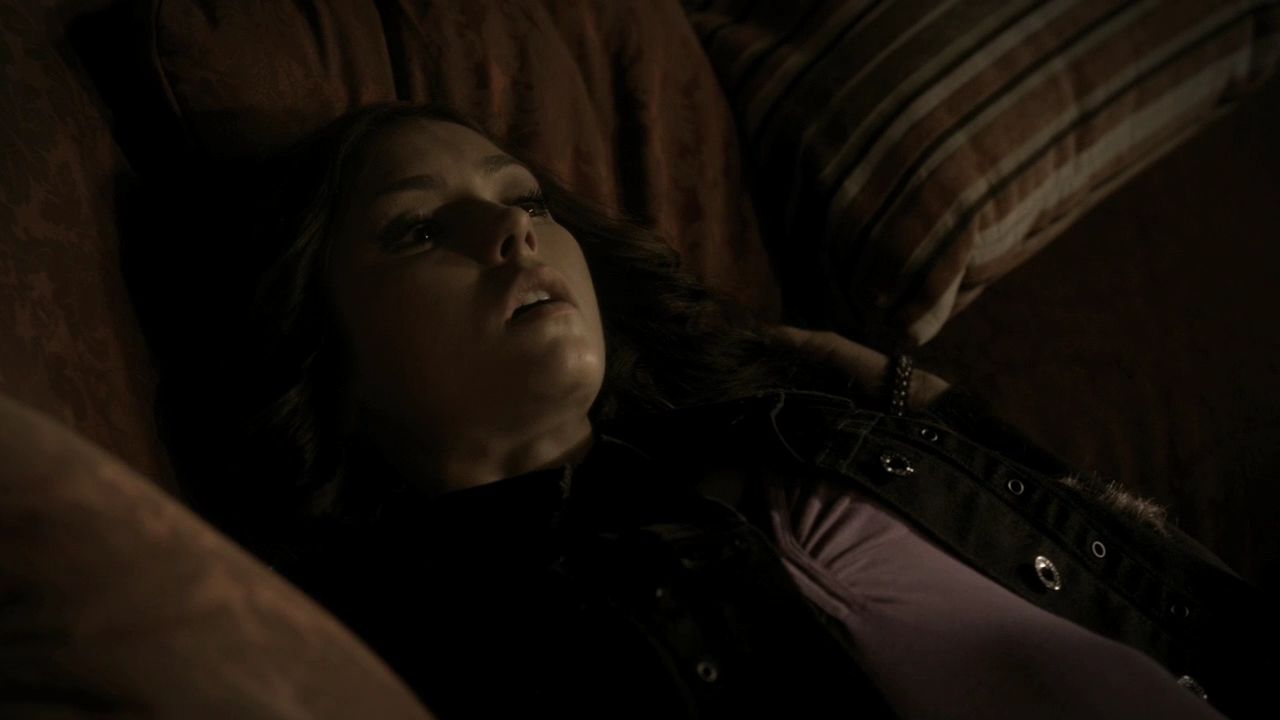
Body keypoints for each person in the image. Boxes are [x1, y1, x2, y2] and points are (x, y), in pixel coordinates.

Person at [135, 102, 1270, 719]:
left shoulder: (775, 419)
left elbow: (1132, 567)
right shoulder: (420, 644)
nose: (514, 230)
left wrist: (905, 393)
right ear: (318, 352)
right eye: (419, 228)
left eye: (524, 198)